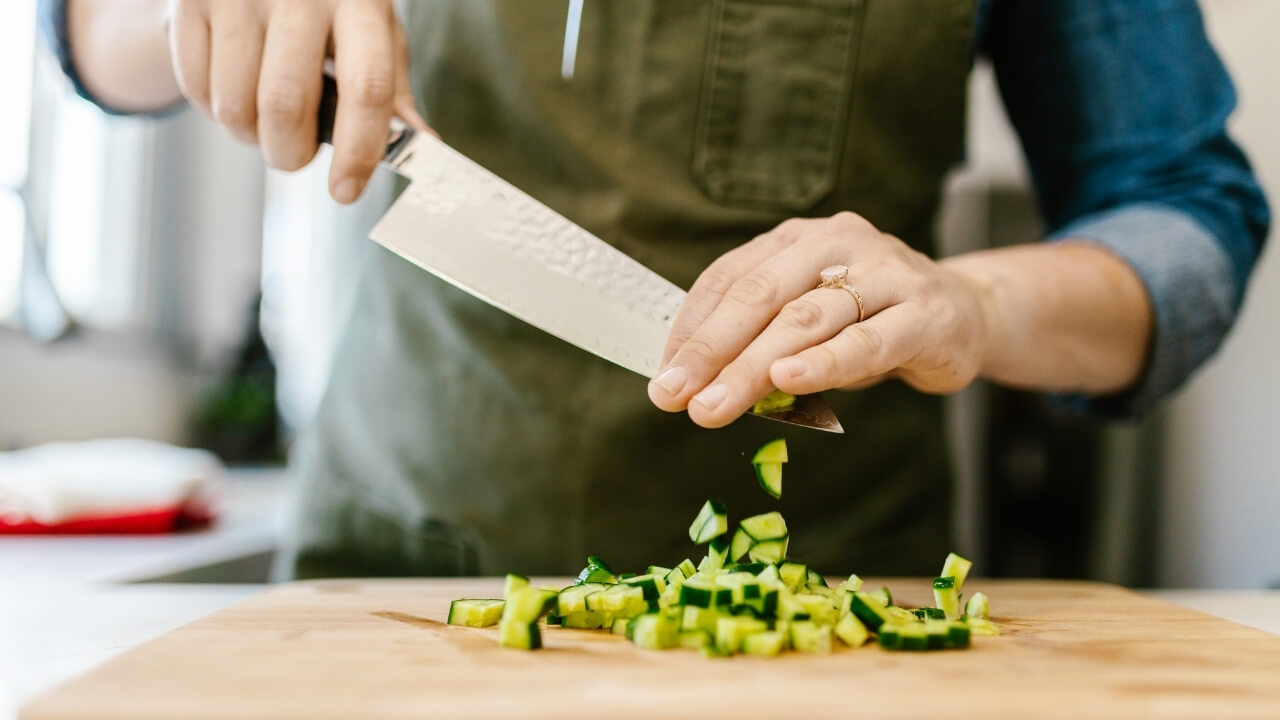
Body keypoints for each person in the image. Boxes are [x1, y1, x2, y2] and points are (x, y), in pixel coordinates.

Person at [44, 0, 1268, 578]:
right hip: (394, 586)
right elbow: (94, 39)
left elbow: (1186, 215)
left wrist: (974, 303)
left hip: (829, 608)